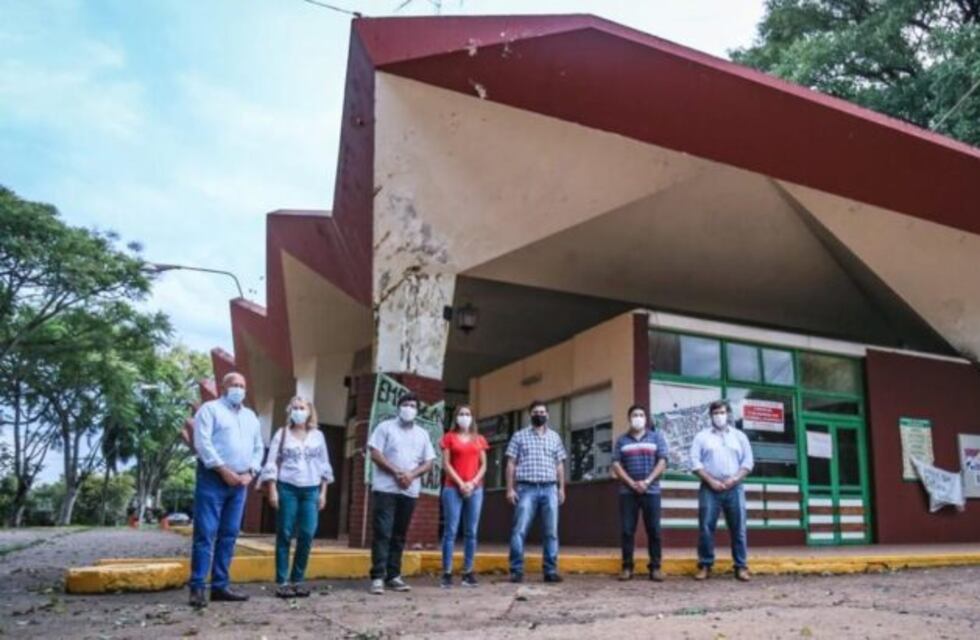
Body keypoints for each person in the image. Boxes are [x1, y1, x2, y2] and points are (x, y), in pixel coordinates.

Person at [189, 372, 264, 608]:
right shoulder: (210, 410)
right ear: (224, 387)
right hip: (213, 478)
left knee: (230, 534)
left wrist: (251, 472)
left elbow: (258, 447)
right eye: (234, 385)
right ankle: (198, 587)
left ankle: (220, 586)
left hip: (240, 482)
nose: (238, 389)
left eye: (242, 385)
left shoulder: (251, 416)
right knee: (205, 533)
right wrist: (223, 470)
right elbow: (202, 443)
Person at [260, 396, 334, 598]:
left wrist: (323, 492)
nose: (298, 411)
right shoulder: (282, 434)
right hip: (287, 488)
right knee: (284, 533)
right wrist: (273, 489)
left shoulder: (318, 436)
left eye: (302, 408)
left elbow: (324, 465)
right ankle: (282, 581)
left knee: (307, 534)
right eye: (295, 408)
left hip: (311, 490)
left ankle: (298, 579)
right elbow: (271, 462)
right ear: (289, 411)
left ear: (309, 411)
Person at [367, 392, 436, 595]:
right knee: (383, 532)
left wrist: (411, 475)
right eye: (406, 404)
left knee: (399, 535)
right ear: (398, 407)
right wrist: (397, 472)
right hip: (385, 489)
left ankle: (394, 576)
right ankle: (378, 577)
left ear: (417, 410)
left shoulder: (422, 434)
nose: (409, 408)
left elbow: (429, 461)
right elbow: (375, 453)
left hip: (409, 491)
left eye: (413, 405)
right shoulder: (385, 427)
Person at [689, 400, 754, 582]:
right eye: (716, 413)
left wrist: (734, 479)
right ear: (711, 416)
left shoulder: (739, 436)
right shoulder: (701, 437)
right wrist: (711, 480)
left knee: (738, 528)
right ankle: (705, 565)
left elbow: (748, 462)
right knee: (706, 528)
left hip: (735, 488)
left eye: (722, 412)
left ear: (729, 414)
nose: (719, 416)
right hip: (709, 488)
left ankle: (741, 567)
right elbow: (695, 463)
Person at [505, 400, 567, 584]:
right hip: (526, 488)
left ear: (547, 415)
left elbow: (560, 464)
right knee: (519, 530)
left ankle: (550, 571)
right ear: (530, 415)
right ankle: (516, 570)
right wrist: (510, 488)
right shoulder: (519, 436)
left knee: (551, 532)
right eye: (535, 412)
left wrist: (561, 488)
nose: (539, 414)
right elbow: (511, 463)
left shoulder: (555, 437)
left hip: (550, 488)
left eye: (542, 411)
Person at [610, 404, 668, 582]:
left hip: (652, 491)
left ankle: (655, 568)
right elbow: (616, 465)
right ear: (629, 418)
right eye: (635, 415)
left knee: (654, 531)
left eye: (641, 415)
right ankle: (627, 567)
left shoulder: (656, 437)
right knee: (628, 530)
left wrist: (647, 481)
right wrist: (631, 483)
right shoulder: (622, 441)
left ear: (646, 418)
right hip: (628, 493)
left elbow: (663, 461)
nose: (638, 418)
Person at [439, 405, 488, 588]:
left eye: (467, 414)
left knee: (471, 532)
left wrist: (473, 483)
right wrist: (461, 483)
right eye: (461, 414)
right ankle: (447, 573)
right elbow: (446, 464)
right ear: (455, 417)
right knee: (450, 531)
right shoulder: (448, 438)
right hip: (453, 488)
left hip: (475, 489)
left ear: (472, 418)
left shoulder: (479, 439)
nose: (464, 417)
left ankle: (468, 573)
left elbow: (483, 465)